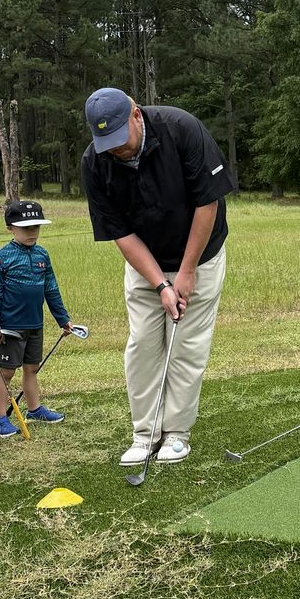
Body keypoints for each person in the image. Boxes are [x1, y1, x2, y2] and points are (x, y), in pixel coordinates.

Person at [80, 89, 236, 466]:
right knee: (143, 345)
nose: (118, 150)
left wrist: (186, 272)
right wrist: (161, 284)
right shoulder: (95, 162)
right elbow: (119, 232)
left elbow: (207, 202)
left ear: (136, 115)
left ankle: (177, 434)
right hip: (144, 261)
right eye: (108, 143)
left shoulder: (181, 128)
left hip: (199, 254)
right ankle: (145, 433)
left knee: (185, 345)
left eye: (121, 139)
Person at [0, 200, 75, 437]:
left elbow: (51, 289)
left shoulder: (42, 254)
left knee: (32, 368)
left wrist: (63, 319)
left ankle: (34, 410)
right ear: (10, 228)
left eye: (36, 226)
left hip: (35, 323)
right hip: (9, 327)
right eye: (26, 228)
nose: (32, 232)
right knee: (6, 372)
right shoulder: (2, 256)